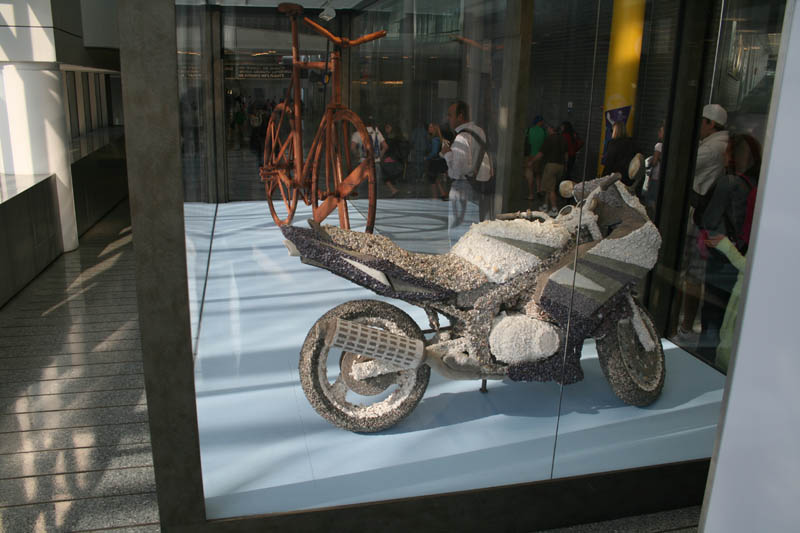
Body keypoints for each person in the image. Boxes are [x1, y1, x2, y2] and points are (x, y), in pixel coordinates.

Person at [696, 133, 761, 362]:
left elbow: (709, 220)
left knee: (713, 315)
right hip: (743, 258)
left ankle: (705, 366)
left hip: (722, 256)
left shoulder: (728, 183)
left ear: (733, 156)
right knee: (731, 317)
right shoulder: (757, 184)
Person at [676, 103, 729, 345]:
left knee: (693, 273)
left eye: (701, 122)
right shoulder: (715, 144)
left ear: (711, 124)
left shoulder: (713, 148)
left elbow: (681, 163)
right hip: (703, 217)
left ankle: (686, 325)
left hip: (700, 218)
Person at [440, 100, 492, 245]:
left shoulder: (462, 138)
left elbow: (457, 171)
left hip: (463, 186)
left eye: (450, 115)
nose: (448, 119)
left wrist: (447, 154)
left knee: (458, 229)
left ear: (460, 117)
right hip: (479, 184)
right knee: (472, 227)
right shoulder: (479, 132)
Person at [351, 115, 389, 195]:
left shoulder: (358, 133)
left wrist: (357, 155)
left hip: (363, 162)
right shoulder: (377, 132)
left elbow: (353, 147)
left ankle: (361, 203)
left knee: (361, 186)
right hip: (375, 163)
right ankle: (374, 204)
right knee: (375, 187)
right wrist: (379, 157)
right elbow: (385, 146)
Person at [539, 124, 568, 215]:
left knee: (551, 189)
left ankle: (554, 209)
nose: (547, 129)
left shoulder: (549, 139)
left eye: (548, 128)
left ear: (551, 128)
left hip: (551, 165)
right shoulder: (563, 139)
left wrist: (531, 162)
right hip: (561, 166)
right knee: (550, 186)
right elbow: (566, 154)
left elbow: (541, 153)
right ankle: (545, 205)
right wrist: (565, 165)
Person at [642, 120, 665, 217]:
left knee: (651, 198)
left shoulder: (659, 145)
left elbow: (654, 162)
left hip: (655, 176)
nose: (658, 133)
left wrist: (650, 162)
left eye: (660, 131)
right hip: (662, 177)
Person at [524, 116, 546, 201]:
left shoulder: (529, 130)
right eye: (542, 121)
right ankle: (538, 190)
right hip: (540, 156)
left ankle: (530, 194)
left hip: (529, 156)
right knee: (538, 174)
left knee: (529, 175)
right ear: (539, 122)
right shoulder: (543, 131)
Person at [425, 122, 449, 200]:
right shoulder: (439, 139)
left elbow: (434, 152)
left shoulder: (434, 139)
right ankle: (442, 194)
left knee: (432, 180)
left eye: (431, 127)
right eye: (429, 127)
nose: (429, 129)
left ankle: (435, 197)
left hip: (435, 161)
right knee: (436, 179)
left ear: (434, 129)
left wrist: (427, 158)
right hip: (440, 161)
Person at [381, 123, 405, 197]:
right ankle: (393, 189)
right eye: (386, 127)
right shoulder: (393, 138)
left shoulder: (391, 139)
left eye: (388, 127)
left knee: (384, 174)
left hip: (390, 158)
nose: (386, 129)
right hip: (392, 158)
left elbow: (388, 148)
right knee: (384, 174)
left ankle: (393, 189)